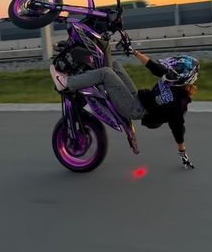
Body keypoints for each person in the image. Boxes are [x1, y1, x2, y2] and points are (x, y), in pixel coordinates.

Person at [50, 48, 199, 169]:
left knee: (106, 73)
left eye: (172, 72)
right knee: (113, 65)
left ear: (182, 79)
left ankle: (66, 82)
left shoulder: (178, 104)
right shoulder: (172, 78)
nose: (169, 72)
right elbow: (154, 67)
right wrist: (133, 51)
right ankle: (82, 70)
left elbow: (178, 128)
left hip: (135, 109)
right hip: (138, 97)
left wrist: (182, 152)